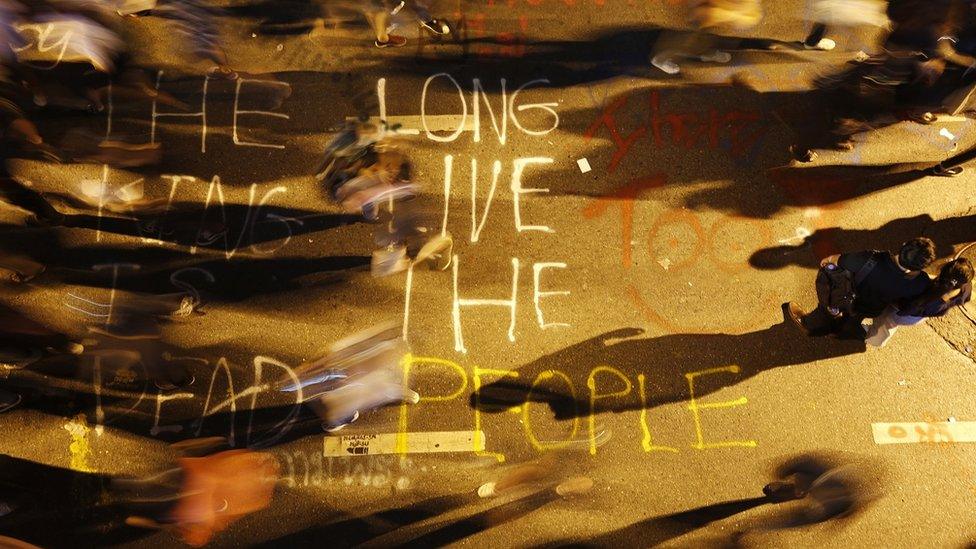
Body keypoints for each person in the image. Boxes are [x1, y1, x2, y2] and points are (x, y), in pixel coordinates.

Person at [785, 237, 936, 338]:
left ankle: (810, 325)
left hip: (844, 297)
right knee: (854, 317)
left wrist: (827, 262)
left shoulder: (871, 258)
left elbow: (833, 260)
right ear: (921, 267)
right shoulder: (919, 282)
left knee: (828, 308)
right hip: (872, 309)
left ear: (903, 246)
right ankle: (840, 330)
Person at [865, 257, 974, 346]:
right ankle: (878, 337)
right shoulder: (965, 289)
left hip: (903, 312)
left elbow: (903, 306)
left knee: (884, 322)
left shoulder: (922, 285)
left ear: (944, 270)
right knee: (891, 325)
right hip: (916, 318)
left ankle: (870, 335)